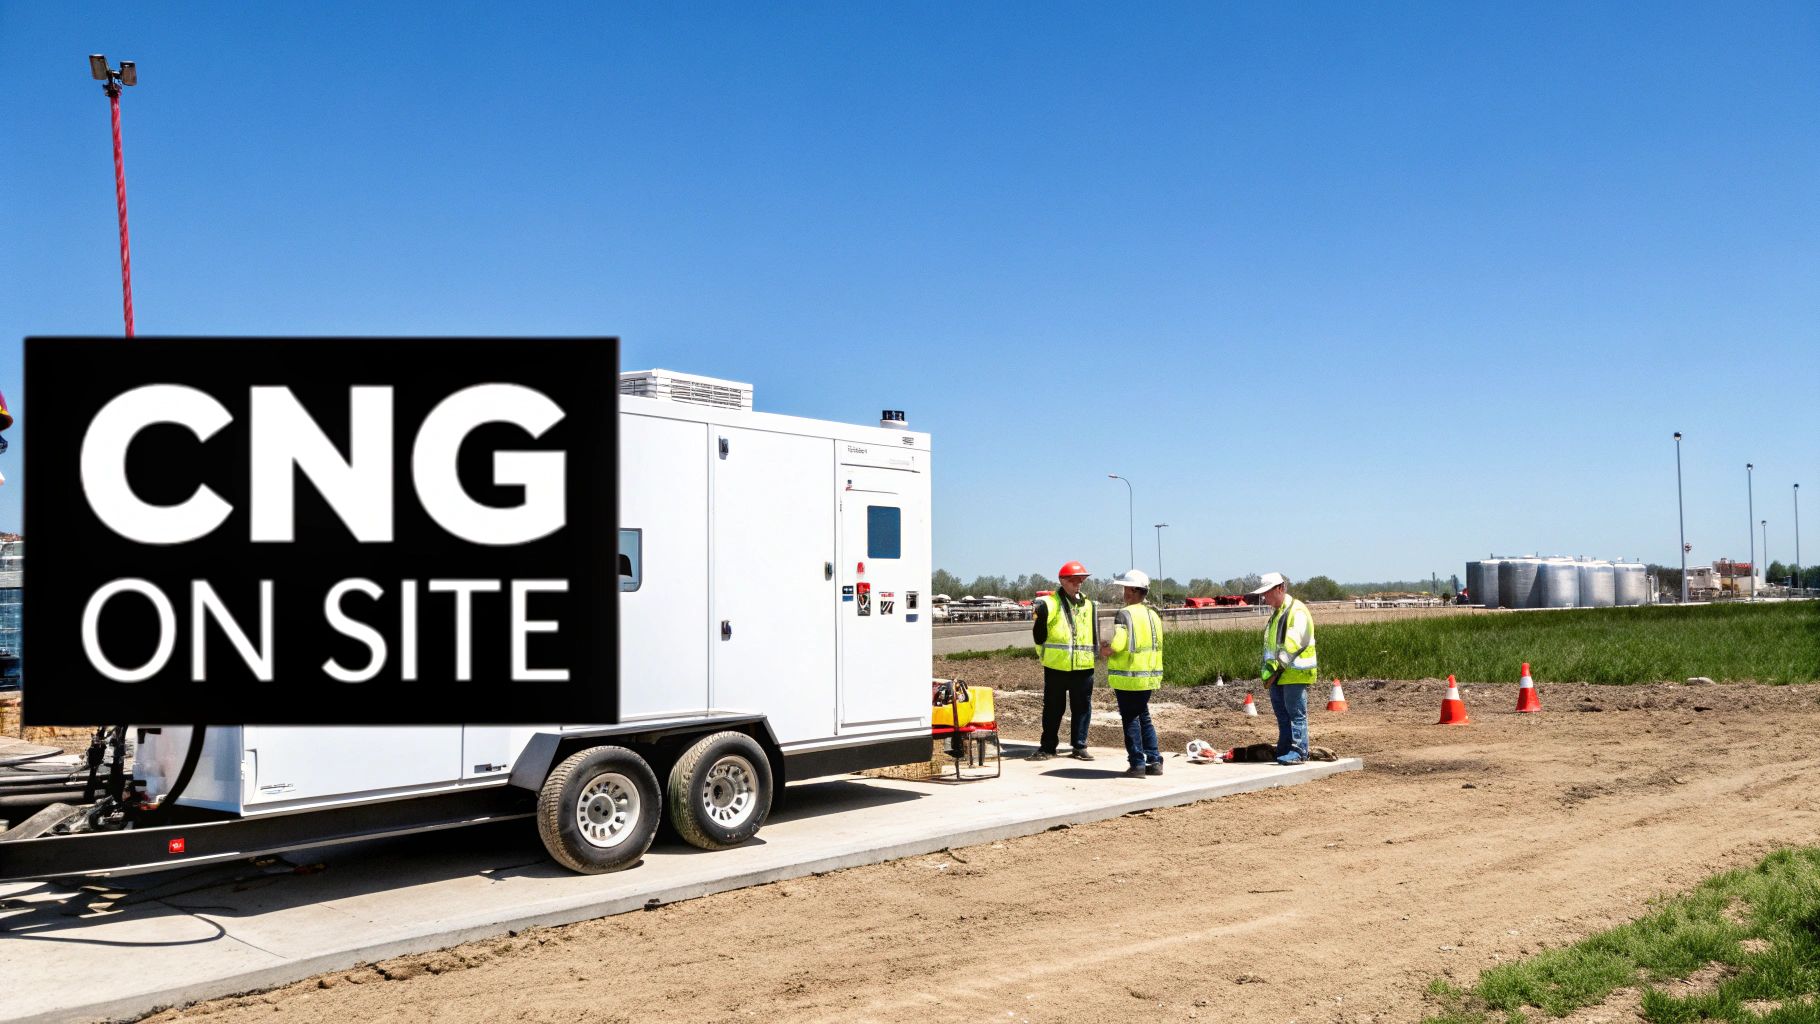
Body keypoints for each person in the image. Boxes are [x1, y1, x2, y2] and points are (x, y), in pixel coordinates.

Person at [1030, 560, 1099, 761]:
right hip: (1056, 666)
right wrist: (1043, 655)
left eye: (1081, 580)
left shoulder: (1088, 605)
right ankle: (1048, 747)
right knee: (1053, 708)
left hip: (1084, 666)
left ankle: (1079, 746)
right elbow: (1039, 634)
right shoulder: (1050, 604)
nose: (1078, 583)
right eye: (1074, 580)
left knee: (1082, 708)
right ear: (1062, 581)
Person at [1099, 569, 1163, 778]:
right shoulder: (1153, 615)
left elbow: (1118, 644)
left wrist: (1105, 650)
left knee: (1131, 719)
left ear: (1133, 591)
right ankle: (1154, 760)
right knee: (1143, 717)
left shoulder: (1125, 614)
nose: (1123, 593)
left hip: (1128, 677)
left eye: (1125, 588)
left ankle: (1137, 763)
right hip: (1149, 677)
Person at [1252, 572, 1317, 765]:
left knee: (1296, 714)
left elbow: (1292, 644)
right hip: (1279, 673)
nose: (1265, 597)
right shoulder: (1278, 613)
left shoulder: (1296, 611)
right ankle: (1285, 747)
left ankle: (1298, 751)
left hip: (1294, 672)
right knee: (1282, 714)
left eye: (1267, 592)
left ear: (1280, 588)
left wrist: (1271, 668)